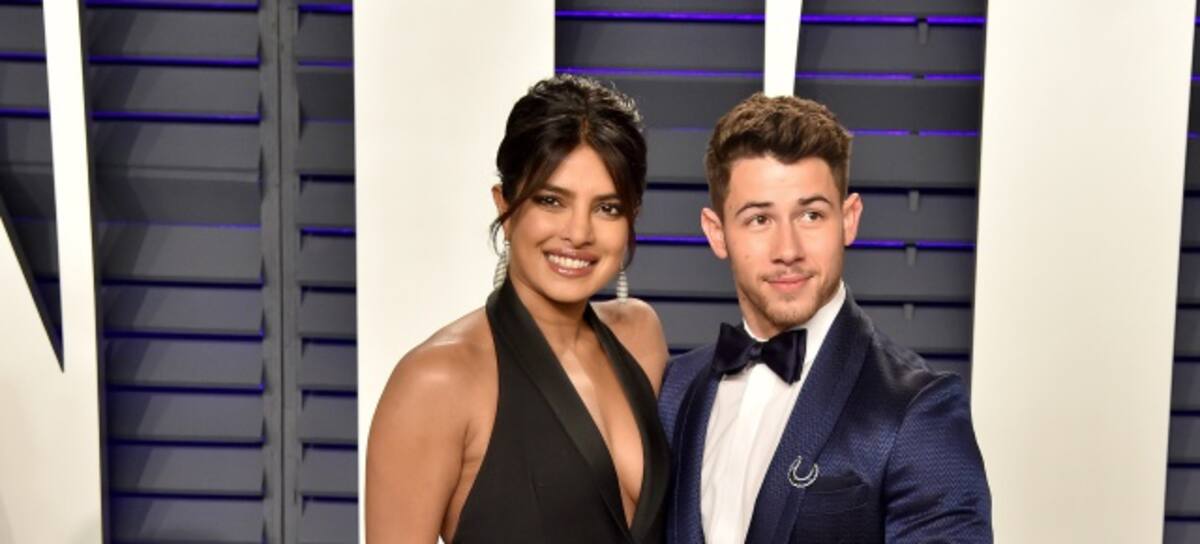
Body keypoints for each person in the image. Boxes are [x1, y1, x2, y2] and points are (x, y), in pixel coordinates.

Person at [658, 94, 992, 543]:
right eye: (759, 219)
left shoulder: (918, 409)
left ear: (849, 220)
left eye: (811, 215)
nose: (788, 250)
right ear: (716, 232)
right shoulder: (673, 391)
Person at [365, 75, 671, 544]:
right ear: (504, 206)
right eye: (551, 201)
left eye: (607, 208)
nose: (578, 233)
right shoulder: (436, 382)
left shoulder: (640, 336)